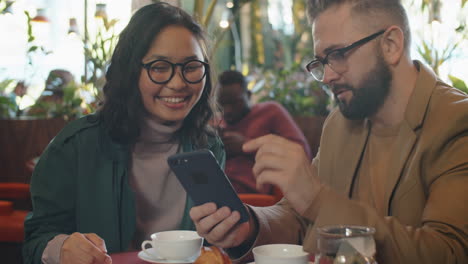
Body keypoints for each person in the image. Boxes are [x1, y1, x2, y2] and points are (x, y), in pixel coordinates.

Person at [189, 0, 468, 263]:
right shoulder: (340, 123)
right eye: (321, 62)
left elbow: (449, 253)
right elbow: (303, 219)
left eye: (338, 54)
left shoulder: (456, 121)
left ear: (391, 45)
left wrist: (318, 201)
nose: (329, 76)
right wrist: (248, 226)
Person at [23, 2, 224, 264]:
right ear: (130, 71)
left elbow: (210, 245)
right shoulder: (76, 144)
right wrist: (60, 248)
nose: (178, 83)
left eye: (191, 66)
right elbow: (33, 242)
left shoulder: (209, 147)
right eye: (159, 67)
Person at [218, 70, 312, 194]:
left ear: (249, 95)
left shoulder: (270, 112)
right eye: (221, 104)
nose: (227, 110)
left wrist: (246, 145)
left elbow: (302, 152)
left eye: (235, 102)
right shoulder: (217, 124)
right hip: (217, 191)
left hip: (253, 197)